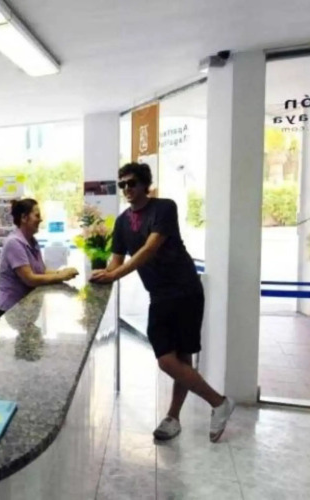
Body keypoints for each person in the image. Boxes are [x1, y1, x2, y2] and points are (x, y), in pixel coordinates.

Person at [91, 163, 235, 443]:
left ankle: (177, 416)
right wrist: (102, 275)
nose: (127, 189)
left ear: (145, 184)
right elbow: (116, 260)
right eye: (122, 185)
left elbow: (150, 248)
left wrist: (114, 275)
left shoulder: (164, 208)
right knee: (168, 360)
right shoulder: (121, 222)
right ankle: (218, 403)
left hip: (185, 290)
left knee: (179, 358)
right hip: (158, 295)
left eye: (132, 183)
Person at [0, 198, 78, 320]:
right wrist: (61, 276)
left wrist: (62, 272)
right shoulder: (14, 243)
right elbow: (30, 279)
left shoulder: (32, 241)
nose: (41, 220)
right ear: (24, 218)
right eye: (37, 216)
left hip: (25, 307)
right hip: (10, 311)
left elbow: (42, 271)